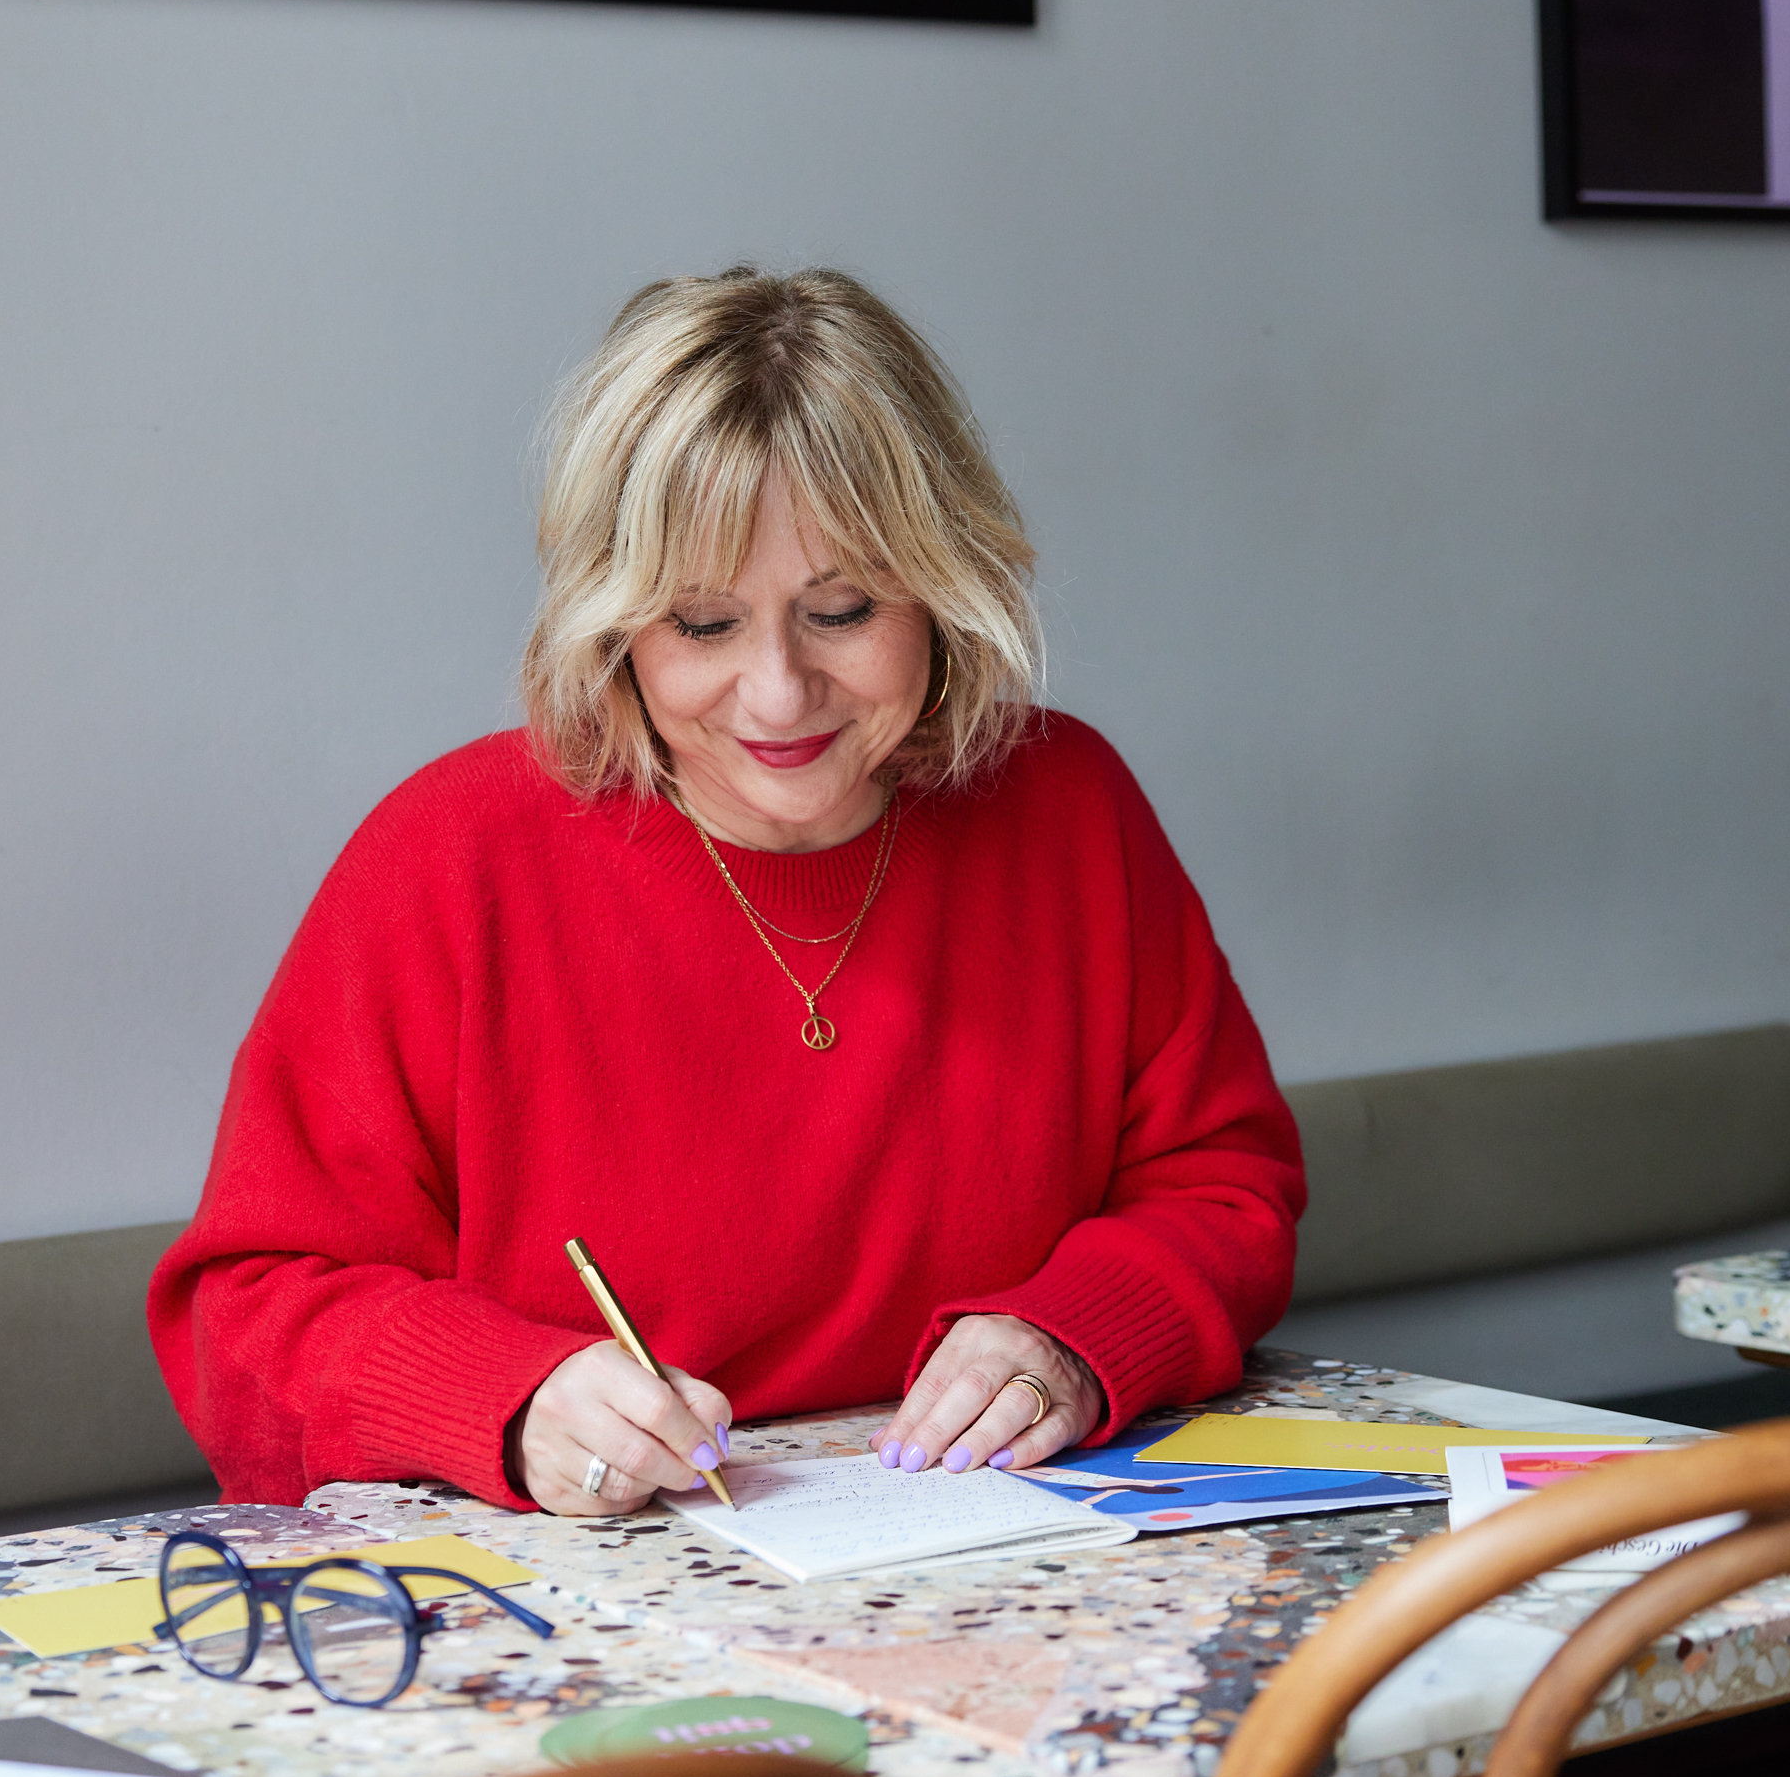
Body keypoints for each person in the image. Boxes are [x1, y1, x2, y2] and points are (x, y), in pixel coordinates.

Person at [149, 267, 1303, 1519]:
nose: (777, 694)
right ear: (612, 622)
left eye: (843, 610)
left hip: (1016, 1557)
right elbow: (248, 1309)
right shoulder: (449, 856)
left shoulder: (1068, 804)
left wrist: (1074, 1338)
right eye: (701, 624)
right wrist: (514, 1400)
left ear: (944, 586)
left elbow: (1220, 1182)